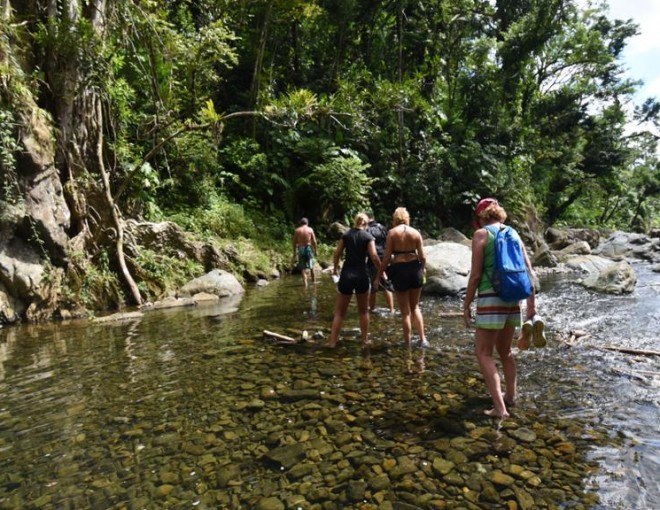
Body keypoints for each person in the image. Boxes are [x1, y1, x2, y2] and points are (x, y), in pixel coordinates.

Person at [462, 198, 537, 419]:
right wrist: (531, 306)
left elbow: (475, 275)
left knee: (483, 352)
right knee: (505, 351)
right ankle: (511, 396)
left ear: (481, 217)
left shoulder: (482, 235)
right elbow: (528, 270)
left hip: (491, 297)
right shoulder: (513, 233)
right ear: (500, 214)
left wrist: (466, 305)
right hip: (513, 297)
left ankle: (500, 409)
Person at [376, 207, 429, 348]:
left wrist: (379, 275)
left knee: (405, 312)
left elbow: (386, 257)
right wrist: (423, 270)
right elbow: (423, 257)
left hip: (400, 270)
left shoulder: (392, 233)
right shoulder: (416, 233)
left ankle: (407, 342)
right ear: (407, 218)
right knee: (415, 307)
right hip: (415, 269)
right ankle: (423, 338)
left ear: (395, 219)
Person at [326, 213, 381, 348]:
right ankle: (364, 341)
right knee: (363, 311)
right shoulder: (368, 236)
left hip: (346, 275)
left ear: (355, 222)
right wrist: (381, 271)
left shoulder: (346, 235)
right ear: (366, 224)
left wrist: (335, 269)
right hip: (362, 274)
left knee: (339, 312)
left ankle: (332, 342)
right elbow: (374, 256)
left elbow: (337, 253)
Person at [366, 212, 395, 313]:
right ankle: (392, 309)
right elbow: (388, 241)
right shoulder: (382, 227)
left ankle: (372, 308)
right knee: (386, 284)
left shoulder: (367, 230)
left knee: (373, 286)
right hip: (384, 257)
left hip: (373, 259)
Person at [292, 217, 318, 287]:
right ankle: (314, 283)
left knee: (303, 268)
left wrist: (294, 253)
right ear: (307, 223)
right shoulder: (310, 229)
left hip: (301, 249)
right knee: (312, 267)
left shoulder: (297, 230)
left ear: (301, 223)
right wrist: (316, 250)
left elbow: (294, 242)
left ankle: (305, 285)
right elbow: (314, 241)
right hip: (308, 248)